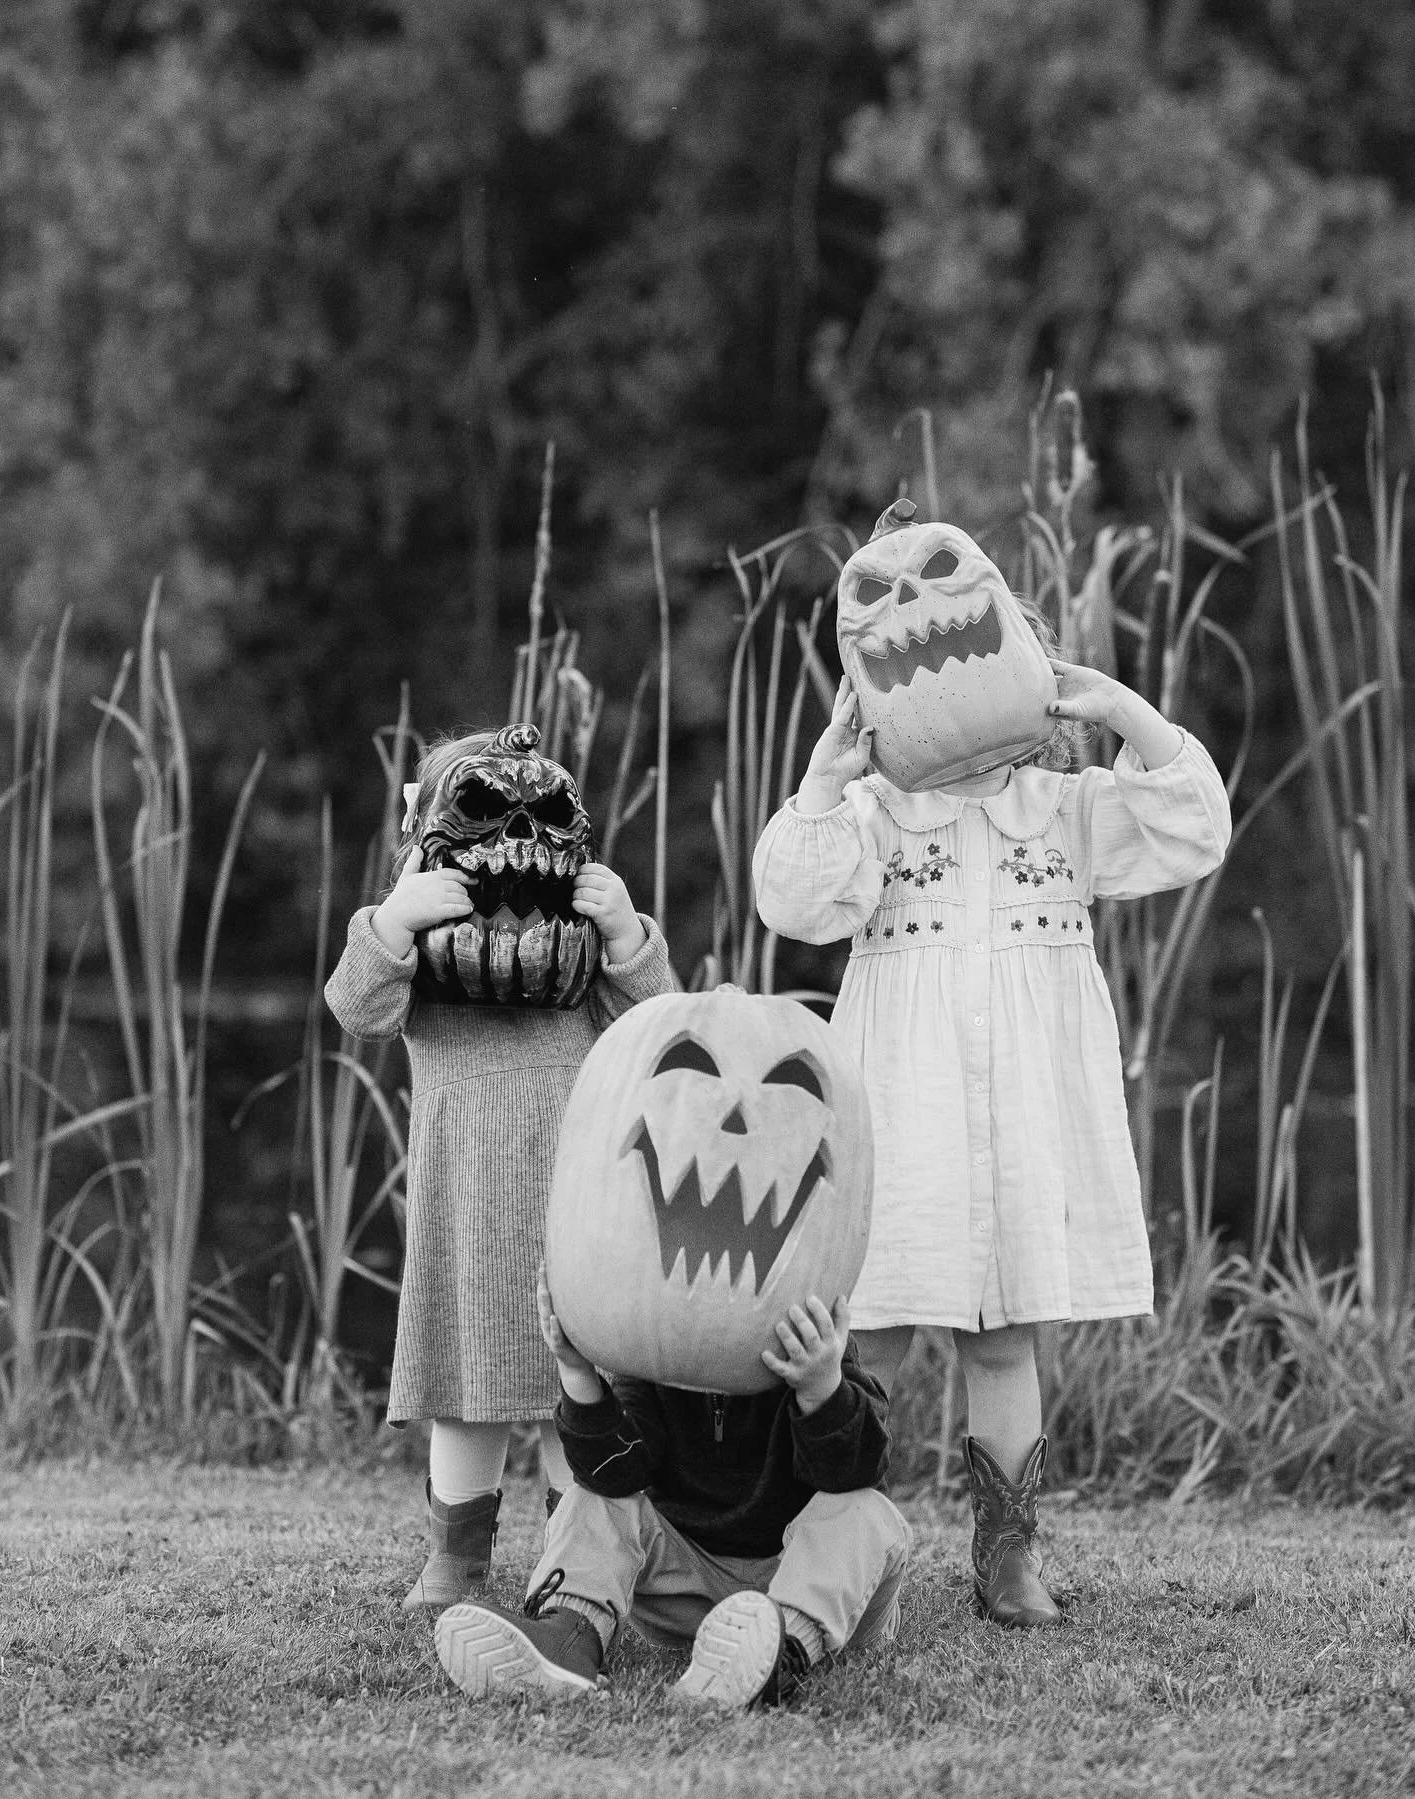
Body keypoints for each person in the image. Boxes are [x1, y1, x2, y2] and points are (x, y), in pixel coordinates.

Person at [750, 560, 1232, 1629]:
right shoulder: (874, 814)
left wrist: (1118, 710)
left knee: (1006, 1333)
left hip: (1024, 1099)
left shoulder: (1065, 809)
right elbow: (791, 899)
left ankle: (1006, 1558)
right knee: (864, 1328)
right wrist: (829, 771)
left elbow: (1195, 829)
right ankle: (832, 1544)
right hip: (900, 1094)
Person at [325, 728, 669, 1612]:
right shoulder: (420, 961)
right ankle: (457, 1556)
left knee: (577, 1395)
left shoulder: (579, 950)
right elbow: (355, 1007)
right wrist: (396, 914)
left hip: (574, 1216)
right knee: (465, 1395)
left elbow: (661, 1025)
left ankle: (579, 1556)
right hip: (467, 1207)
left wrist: (626, 927)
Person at [433, 1269, 912, 1707]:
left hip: (817, 1591)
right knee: (594, 1498)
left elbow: (855, 1471)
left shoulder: (824, 1357)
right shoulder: (653, 1363)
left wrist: (821, 1386)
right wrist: (577, 1371)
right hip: (688, 1585)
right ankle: (567, 1636)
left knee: (867, 1512)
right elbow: (613, 1472)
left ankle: (777, 1656)